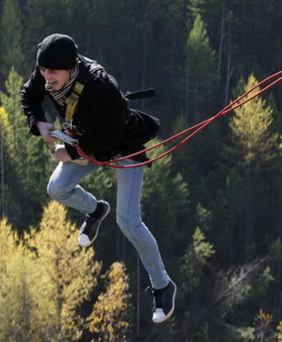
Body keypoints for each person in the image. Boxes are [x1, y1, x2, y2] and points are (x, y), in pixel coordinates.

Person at [20, 33, 176, 324]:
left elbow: (111, 139)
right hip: (86, 142)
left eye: (52, 72)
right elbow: (28, 96)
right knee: (57, 188)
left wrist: (69, 151)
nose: (46, 77)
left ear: (71, 68)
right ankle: (95, 210)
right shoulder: (47, 72)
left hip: (120, 144)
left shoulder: (101, 86)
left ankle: (163, 285)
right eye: (42, 71)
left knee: (128, 222)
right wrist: (38, 121)